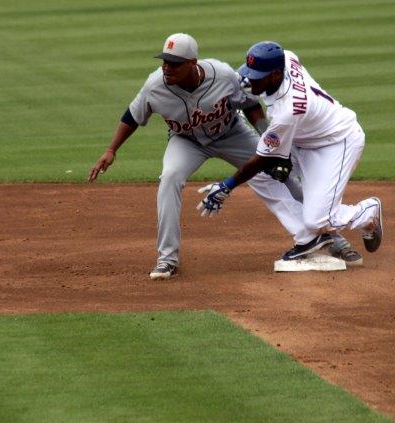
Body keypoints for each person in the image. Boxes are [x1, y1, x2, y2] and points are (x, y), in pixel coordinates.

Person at [89, 34, 361, 279]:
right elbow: (131, 116)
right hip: (186, 141)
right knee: (170, 178)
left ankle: (333, 239)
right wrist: (111, 150)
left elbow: (251, 105)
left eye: (174, 63)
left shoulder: (222, 74)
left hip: (232, 133)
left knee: (280, 174)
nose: (167, 68)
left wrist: (269, 143)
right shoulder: (154, 86)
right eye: (165, 62)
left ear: (192, 63)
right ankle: (167, 259)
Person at [196, 41, 383, 261]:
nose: (251, 80)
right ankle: (306, 238)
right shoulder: (285, 57)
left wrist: (227, 186)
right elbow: (257, 81)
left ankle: (367, 212)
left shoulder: (288, 110)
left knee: (319, 220)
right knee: (263, 176)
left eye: (257, 76)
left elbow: (263, 158)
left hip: (336, 142)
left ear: (276, 74)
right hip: (303, 138)